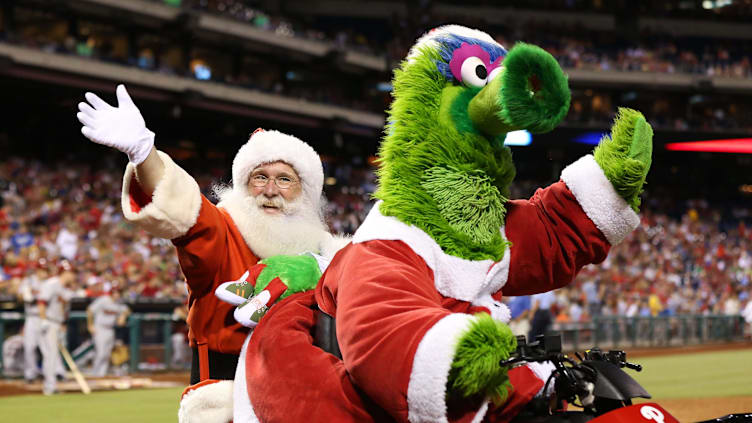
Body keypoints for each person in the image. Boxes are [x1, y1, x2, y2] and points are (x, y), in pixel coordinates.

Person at [76, 84, 347, 419]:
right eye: (260, 177)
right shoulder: (224, 231)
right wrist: (146, 155)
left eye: (285, 180)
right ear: (244, 185)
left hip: (305, 402)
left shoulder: (327, 251)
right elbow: (187, 213)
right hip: (226, 402)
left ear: (306, 192)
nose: (271, 190)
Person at [38, 268, 73, 395]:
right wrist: (43, 320)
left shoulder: (66, 288)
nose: (73, 276)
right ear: (64, 273)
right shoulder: (51, 284)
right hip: (48, 322)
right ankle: (49, 386)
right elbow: (41, 302)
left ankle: (52, 384)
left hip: (58, 323)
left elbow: (64, 308)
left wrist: (63, 324)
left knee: (54, 355)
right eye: (71, 272)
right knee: (50, 355)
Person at [87, 286, 130, 377]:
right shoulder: (103, 300)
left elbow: (127, 310)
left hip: (110, 330)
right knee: (101, 353)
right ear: (111, 292)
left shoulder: (119, 303)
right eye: (115, 292)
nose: (117, 294)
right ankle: (94, 374)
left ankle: (101, 375)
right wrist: (90, 325)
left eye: (118, 292)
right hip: (99, 328)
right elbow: (90, 310)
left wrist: (123, 316)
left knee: (107, 354)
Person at [17, 263, 45, 383]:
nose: (43, 272)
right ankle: (30, 374)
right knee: (29, 347)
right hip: (32, 317)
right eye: (41, 269)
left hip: (45, 318)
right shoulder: (28, 281)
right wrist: (25, 294)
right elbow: (20, 296)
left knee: (48, 348)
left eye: (45, 270)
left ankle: (56, 372)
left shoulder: (49, 282)